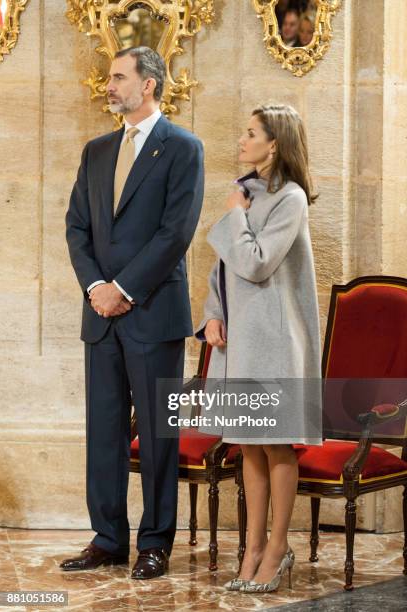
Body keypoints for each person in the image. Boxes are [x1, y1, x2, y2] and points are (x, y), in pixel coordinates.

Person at [62, 46, 204, 579]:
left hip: (153, 312)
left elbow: (177, 232)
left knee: (158, 432)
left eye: (118, 77)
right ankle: (107, 538)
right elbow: (77, 227)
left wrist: (124, 288)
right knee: (104, 431)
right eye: (109, 76)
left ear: (148, 84)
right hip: (100, 316)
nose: (109, 84)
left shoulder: (183, 147)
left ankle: (155, 542)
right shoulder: (96, 151)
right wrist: (97, 286)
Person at [195, 103, 322, 593]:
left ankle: (277, 547)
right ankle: (250, 549)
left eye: (251, 134)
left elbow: (257, 263)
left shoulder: (290, 199)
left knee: (276, 442)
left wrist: (234, 218)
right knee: (249, 444)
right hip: (240, 339)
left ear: (275, 144)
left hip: (273, 340)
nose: (241, 141)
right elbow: (223, 268)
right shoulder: (243, 194)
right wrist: (212, 312)